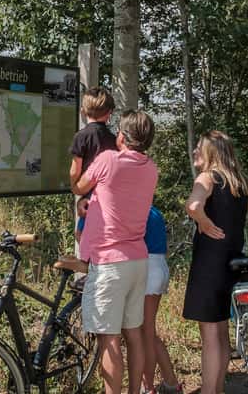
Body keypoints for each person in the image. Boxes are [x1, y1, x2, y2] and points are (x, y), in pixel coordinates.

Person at [182, 131, 248, 394]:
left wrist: (205, 223)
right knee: (221, 333)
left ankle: (209, 391)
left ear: (211, 152)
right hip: (232, 262)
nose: (195, 152)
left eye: (199, 148)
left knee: (210, 337)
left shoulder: (207, 178)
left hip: (209, 262)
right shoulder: (243, 182)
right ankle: (217, 389)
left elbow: (193, 205)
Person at [74, 110, 158, 394]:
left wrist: (81, 200)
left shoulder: (108, 160)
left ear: (121, 136)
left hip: (109, 263)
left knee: (109, 340)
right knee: (133, 334)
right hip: (138, 259)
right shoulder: (151, 168)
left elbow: (78, 185)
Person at [70, 86, 117, 252]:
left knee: (81, 233)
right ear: (109, 112)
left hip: (89, 196)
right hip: (108, 195)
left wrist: (75, 187)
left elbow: (75, 170)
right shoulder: (114, 139)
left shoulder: (81, 136)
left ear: (83, 111)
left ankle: (91, 268)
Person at [141, 204, 182, 394]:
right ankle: (171, 382)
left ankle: (148, 387)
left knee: (145, 333)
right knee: (148, 331)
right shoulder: (154, 210)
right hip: (159, 266)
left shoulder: (133, 208)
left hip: (145, 269)